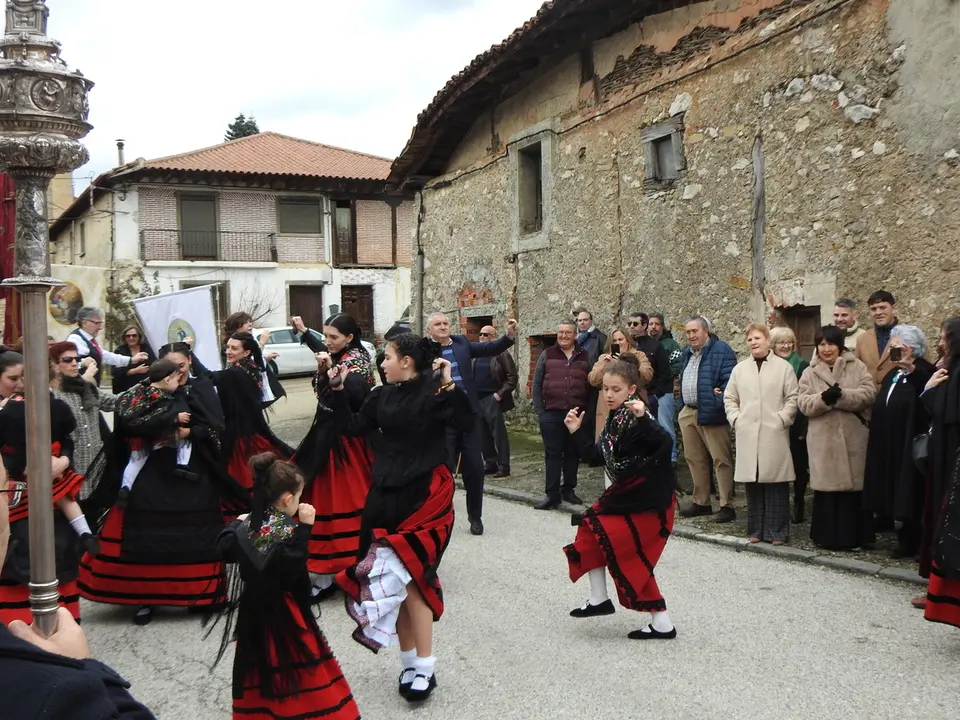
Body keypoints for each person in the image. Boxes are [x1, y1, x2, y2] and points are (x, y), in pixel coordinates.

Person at [330, 333, 472, 703]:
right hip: (384, 495)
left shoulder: (435, 393)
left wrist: (449, 385)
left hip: (423, 495)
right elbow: (351, 428)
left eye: (389, 356)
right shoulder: (381, 395)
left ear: (406, 361)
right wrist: (338, 391)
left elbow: (467, 424)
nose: (383, 363)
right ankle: (409, 663)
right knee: (394, 583)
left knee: (415, 581)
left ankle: (425, 667)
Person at [79, 347, 248, 626]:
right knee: (144, 529)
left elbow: (216, 425)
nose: (178, 372)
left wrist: (188, 431)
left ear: (189, 362)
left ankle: (200, 594)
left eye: (181, 365)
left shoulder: (201, 387)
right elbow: (128, 423)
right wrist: (159, 427)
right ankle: (145, 597)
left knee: (199, 530)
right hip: (151, 466)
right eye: (172, 367)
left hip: (193, 467)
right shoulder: (143, 391)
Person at [0, 460, 157, 719]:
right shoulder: (49, 693)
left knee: (65, 499)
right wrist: (81, 670)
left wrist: (60, 461)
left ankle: (85, 533)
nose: (8, 502)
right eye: (6, 491)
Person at [209, 454, 360, 720]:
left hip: (253, 612)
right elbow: (291, 568)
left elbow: (225, 549)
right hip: (285, 613)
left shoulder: (252, 522)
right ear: (288, 499)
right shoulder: (282, 527)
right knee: (301, 666)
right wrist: (305, 529)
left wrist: (237, 523)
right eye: (299, 496)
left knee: (260, 666)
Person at [561, 354, 677, 639]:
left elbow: (664, 443)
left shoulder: (640, 417)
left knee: (629, 555)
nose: (609, 395)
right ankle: (599, 599)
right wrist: (576, 432)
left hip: (649, 501)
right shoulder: (615, 419)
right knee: (590, 531)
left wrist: (643, 417)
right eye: (606, 389)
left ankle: (661, 621)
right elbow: (596, 456)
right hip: (628, 494)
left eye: (616, 389)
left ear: (631, 390)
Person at [0, 352, 92, 624]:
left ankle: (61, 627)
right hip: (12, 498)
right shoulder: (8, 411)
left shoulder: (46, 404)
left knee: (57, 550)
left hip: (49, 493)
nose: (19, 384)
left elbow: (66, 438)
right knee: (17, 556)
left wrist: (62, 460)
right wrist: (19, 467)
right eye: (12, 379)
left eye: (22, 378)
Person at [292, 313, 375, 598]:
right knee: (311, 494)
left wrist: (337, 375)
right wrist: (305, 333)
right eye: (325, 335)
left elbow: (358, 396)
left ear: (350, 338)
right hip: (324, 436)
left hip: (346, 442)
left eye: (333, 337)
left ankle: (347, 568)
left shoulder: (358, 362)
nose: (328, 342)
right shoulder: (336, 353)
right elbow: (321, 348)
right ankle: (321, 569)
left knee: (339, 498)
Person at [425, 312, 517, 536]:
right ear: (429, 330)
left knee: (474, 469)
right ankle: (440, 514)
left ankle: (475, 517)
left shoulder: (461, 343)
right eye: (438, 324)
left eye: (446, 323)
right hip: (443, 417)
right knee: (443, 468)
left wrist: (509, 336)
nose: (443, 326)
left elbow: (489, 348)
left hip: (469, 415)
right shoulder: (424, 351)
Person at [798, 325, 877, 550]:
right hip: (823, 440)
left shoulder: (856, 366)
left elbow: (869, 393)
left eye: (831, 343)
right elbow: (803, 403)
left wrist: (842, 396)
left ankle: (856, 538)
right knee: (827, 493)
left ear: (839, 345)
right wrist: (823, 399)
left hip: (853, 439)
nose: (826, 348)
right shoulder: (809, 372)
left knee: (853, 491)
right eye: (821, 344)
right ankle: (826, 537)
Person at [862, 325, 935, 558]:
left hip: (909, 440)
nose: (891, 351)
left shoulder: (924, 371)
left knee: (909, 490)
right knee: (890, 486)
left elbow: (926, 396)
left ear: (910, 348)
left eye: (896, 347)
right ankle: (889, 523)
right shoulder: (893, 373)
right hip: (887, 439)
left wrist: (911, 370)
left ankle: (911, 540)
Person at [724, 324, 799, 545]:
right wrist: (737, 419)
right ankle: (756, 530)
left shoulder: (784, 368)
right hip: (748, 433)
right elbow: (730, 398)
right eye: (750, 339)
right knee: (753, 483)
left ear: (768, 341)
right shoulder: (740, 369)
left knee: (776, 483)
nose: (754, 342)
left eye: (757, 338)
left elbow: (792, 398)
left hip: (773, 433)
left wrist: (782, 419)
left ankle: (777, 532)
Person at [215, 332, 294, 509]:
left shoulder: (236, 372)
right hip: (249, 431)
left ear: (246, 352)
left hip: (241, 436)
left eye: (234, 348)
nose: (228, 351)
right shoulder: (251, 366)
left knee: (243, 477)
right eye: (227, 347)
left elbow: (210, 377)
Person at [677, 317, 738, 522]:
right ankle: (701, 502)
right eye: (688, 332)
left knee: (721, 459)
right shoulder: (687, 353)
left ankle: (726, 505)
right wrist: (681, 406)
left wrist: (716, 400)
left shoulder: (722, 350)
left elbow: (730, 381)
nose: (691, 336)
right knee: (694, 459)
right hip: (689, 411)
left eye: (695, 331)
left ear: (706, 331)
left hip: (712, 411)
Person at [921, 317, 960, 618]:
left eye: (943, 336)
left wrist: (930, 391)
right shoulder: (950, 369)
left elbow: (947, 414)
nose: (939, 341)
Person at [115, 360, 194, 506]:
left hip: (135, 438)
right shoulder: (161, 397)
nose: (178, 384)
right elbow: (158, 418)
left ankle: (125, 487)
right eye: (177, 379)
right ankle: (182, 464)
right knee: (184, 439)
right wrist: (175, 418)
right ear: (167, 379)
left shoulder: (139, 390)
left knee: (135, 463)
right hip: (154, 438)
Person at [49, 341, 117, 512]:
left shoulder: (85, 387)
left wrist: (149, 386)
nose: (74, 363)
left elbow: (114, 402)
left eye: (76, 359)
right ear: (55, 365)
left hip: (96, 467)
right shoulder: (50, 395)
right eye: (68, 359)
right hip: (66, 471)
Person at [531, 320, 590, 509]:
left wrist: (585, 412)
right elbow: (536, 384)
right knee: (553, 454)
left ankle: (569, 490)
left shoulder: (585, 356)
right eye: (560, 332)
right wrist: (541, 412)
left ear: (575, 335)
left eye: (568, 333)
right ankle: (552, 494)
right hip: (551, 414)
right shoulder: (547, 354)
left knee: (573, 453)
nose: (563, 336)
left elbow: (590, 386)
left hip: (575, 414)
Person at [770, 326, 810, 522]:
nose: (785, 346)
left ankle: (799, 501)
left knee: (798, 465)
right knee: (778, 465)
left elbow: (803, 399)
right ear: (773, 345)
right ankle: (780, 504)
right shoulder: (768, 365)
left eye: (789, 342)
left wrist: (803, 428)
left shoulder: (802, 366)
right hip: (774, 423)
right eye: (781, 342)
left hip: (795, 422)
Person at [587, 326, 653, 444]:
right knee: (608, 446)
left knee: (632, 444)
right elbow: (592, 380)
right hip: (608, 408)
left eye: (620, 339)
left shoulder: (638, 355)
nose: (618, 343)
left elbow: (647, 375)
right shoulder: (604, 358)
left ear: (627, 339)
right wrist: (605, 366)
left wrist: (626, 363)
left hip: (631, 405)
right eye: (614, 341)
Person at [476, 324, 518, 478]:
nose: (482, 337)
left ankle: (504, 466)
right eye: (480, 334)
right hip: (477, 399)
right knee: (482, 434)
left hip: (492, 398)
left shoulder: (501, 354)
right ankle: (490, 463)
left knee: (498, 434)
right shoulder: (476, 354)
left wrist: (499, 395)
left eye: (486, 335)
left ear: (493, 337)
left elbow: (512, 378)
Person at [68, 307, 148, 387]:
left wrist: (131, 360)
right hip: (80, 389)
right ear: (85, 323)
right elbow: (69, 364)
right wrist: (83, 362)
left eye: (100, 323)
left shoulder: (89, 340)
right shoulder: (76, 339)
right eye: (97, 323)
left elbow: (105, 356)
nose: (100, 327)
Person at [648, 313, 684, 464]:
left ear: (662, 326)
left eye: (657, 324)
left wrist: (663, 372)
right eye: (651, 324)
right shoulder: (645, 344)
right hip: (649, 392)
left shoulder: (671, 344)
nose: (653, 327)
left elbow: (678, 364)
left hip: (665, 391)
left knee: (665, 425)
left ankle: (671, 457)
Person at [855, 290, 900, 386]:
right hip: (870, 399)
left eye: (883, 307)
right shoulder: (862, 340)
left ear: (894, 308)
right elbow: (855, 373)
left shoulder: (909, 336)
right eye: (873, 309)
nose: (878, 312)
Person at [111, 325, 156, 395]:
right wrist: (135, 371)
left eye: (134, 335)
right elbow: (116, 372)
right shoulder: (119, 351)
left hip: (145, 389)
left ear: (139, 337)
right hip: (125, 389)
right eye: (128, 336)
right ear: (124, 338)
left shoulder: (147, 348)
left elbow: (154, 365)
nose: (131, 338)